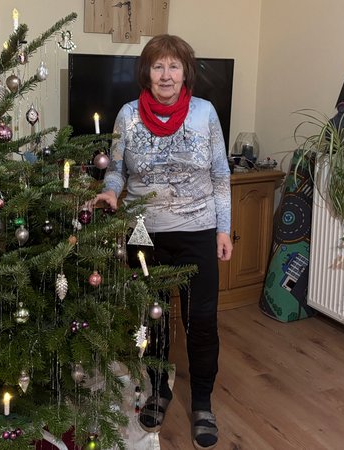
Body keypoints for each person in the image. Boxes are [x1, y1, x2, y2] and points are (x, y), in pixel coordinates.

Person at [87, 34, 232, 450]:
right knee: (150, 319)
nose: (166, 75)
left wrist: (224, 229)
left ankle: (202, 401)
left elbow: (221, 175)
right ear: (146, 72)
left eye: (173, 66)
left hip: (199, 229)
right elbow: (114, 169)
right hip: (144, 232)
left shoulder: (205, 113)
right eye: (158, 66)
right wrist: (111, 191)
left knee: (201, 321)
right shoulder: (128, 116)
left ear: (184, 72)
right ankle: (157, 389)